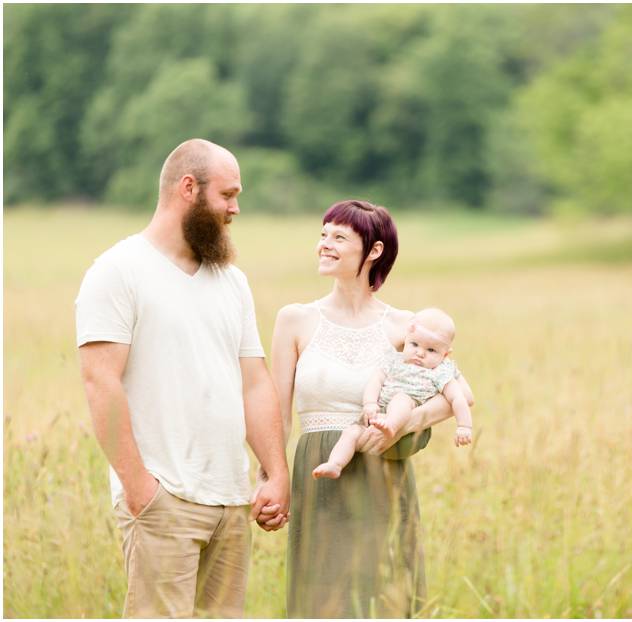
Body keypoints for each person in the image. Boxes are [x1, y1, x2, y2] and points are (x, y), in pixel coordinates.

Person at [75, 138, 290, 617]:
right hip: (163, 500)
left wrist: (276, 472)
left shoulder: (231, 280)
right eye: (227, 195)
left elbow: (253, 381)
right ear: (188, 188)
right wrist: (140, 490)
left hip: (232, 502)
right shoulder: (118, 271)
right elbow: (100, 383)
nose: (236, 208)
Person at [270, 199, 473, 617]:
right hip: (319, 473)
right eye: (323, 234)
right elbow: (279, 413)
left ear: (374, 251)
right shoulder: (295, 319)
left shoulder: (405, 326)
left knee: (384, 596)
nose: (324, 244)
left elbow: (457, 393)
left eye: (339, 237)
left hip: (383, 472)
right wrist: (271, 477)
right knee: (322, 601)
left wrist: (407, 422)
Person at [314, 308, 474, 479]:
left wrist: (464, 426)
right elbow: (376, 381)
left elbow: (458, 398)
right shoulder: (394, 360)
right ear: (406, 339)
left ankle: (391, 425)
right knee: (351, 432)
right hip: (375, 418)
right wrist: (370, 404)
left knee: (401, 399)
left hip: (405, 416)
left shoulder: (439, 372)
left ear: (445, 354)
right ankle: (335, 464)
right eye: (414, 345)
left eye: (431, 350)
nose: (420, 353)